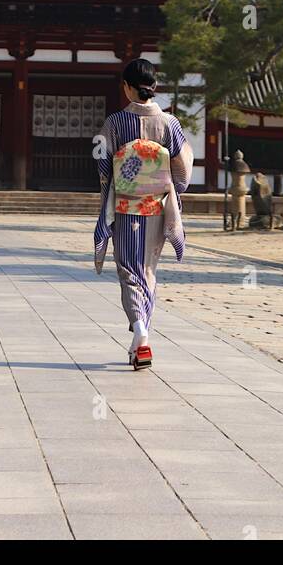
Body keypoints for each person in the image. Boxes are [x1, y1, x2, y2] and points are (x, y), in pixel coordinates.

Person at [93, 59, 193, 369]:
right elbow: (183, 169)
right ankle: (141, 343)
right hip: (158, 207)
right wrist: (169, 189)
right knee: (148, 269)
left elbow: (103, 165)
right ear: (154, 86)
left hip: (126, 206)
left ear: (126, 86)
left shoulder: (114, 123)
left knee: (128, 270)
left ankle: (140, 331)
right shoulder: (170, 124)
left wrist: (111, 189)